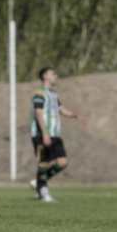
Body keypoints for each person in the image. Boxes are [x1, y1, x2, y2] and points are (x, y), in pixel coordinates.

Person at [29, 67, 78, 202]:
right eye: (53, 74)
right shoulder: (39, 93)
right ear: (45, 76)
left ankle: (38, 183)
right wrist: (45, 133)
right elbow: (38, 113)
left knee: (62, 163)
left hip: (55, 134)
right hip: (42, 134)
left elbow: (60, 109)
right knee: (44, 163)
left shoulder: (54, 94)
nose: (56, 76)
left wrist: (73, 114)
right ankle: (43, 192)